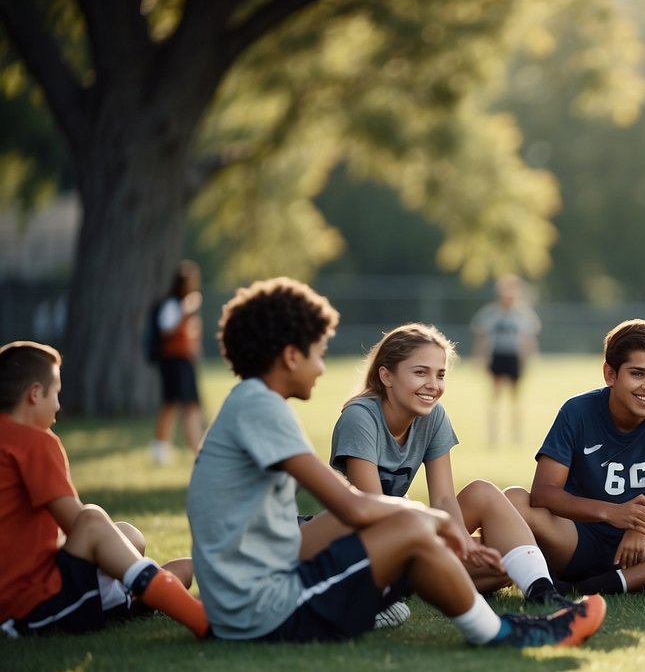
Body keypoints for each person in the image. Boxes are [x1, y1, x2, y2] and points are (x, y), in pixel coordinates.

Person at [186, 277, 605, 646]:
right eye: (319, 352)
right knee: (406, 524)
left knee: (418, 526)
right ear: (291, 356)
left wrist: (438, 525)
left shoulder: (251, 403)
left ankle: (522, 596)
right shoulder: (262, 407)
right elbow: (352, 506)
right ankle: (503, 633)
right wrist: (436, 523)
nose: (321, 366)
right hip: (260, 611)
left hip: (257, 597)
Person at [330, 322, 576, 608]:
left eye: (440, 374)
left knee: (487, 509)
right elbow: (370, 508)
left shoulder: (432, 416)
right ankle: (417, 579)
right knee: (502, 562)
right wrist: (442, 536)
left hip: (410, 533)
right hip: (366, 543)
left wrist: (463, 543)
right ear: (386, 375)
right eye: (420, 372)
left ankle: (544, 594)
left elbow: (445, 498)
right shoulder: (360, 417)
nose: (433, 385)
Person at [505, 319, 645, 596]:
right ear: (610, 374)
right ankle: (553, 575)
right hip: (574, 538)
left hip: (637, 545)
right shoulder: (577, 411)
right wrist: (612, 513)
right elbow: (543, 493)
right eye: (638, 374)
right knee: (514, 500)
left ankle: (614, 584)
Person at [0, 341, 208, 638]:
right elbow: (77, 524)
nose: (59, 405)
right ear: (35, 394)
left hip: (24, 590)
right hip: (28, 606)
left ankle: (135, 594)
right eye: (56, 393)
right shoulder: (35, 442)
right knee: (94, 521)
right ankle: (198, 619)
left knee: (129, 535)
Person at [471, 274, 541, 445]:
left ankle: (516, 434)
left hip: (514, 358)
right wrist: (479, 357)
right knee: (494, 397)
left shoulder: (523, 315)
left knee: (516, 398)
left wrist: (529, 358)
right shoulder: (491, 313)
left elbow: (529, 339)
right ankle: (492, 434)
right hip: (497, 356)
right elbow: (482, 336)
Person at [151, 260, 205, 465]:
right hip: (173, 362)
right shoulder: (173, 306)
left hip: (185, 361)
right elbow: (167, 330)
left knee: (189, 404)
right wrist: (185, 314)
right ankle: (162, 448)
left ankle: (195, 446)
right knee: (173, 404)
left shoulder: (187, 306)